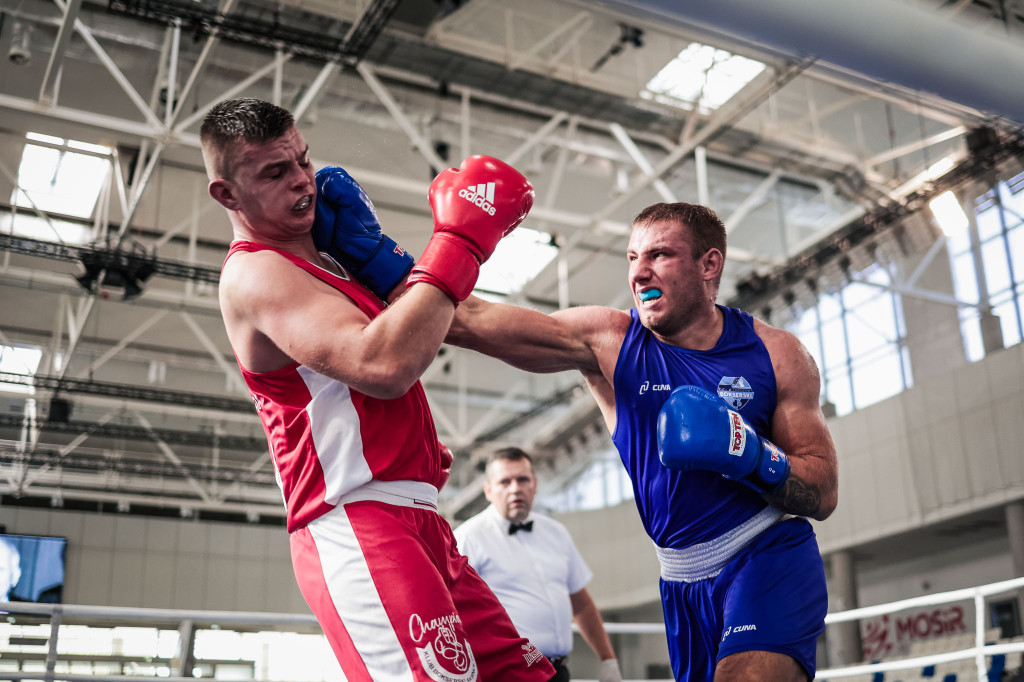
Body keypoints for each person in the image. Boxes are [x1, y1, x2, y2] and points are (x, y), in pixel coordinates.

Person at [315, 194, 839, 682]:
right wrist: (371, 254)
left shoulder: (776, 354)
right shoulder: (609, 340)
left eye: (659, 255)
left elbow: (824, 491)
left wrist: (750, 455)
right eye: (632, 257)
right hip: (681, 579)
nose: (640, 271)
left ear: (709, 265)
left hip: (766, 552)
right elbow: (466, 319)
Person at [204, 97, 555, 682]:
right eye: (274, 172)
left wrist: (378, 257)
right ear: (228, 195)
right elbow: (385, 362)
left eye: (303, 161)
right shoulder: (254, 273)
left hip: (422, 520)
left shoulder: (336, 264)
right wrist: (460, 241)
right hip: (355, 520)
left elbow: (456, 321)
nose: (302, 182)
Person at [454, 448, 622, 682]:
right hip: (504, 674)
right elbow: (453, 611)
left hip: (558, 672)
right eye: (505, 482)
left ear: (534, 484)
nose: (515, 488)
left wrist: (608, 659)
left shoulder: (556, 532)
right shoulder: (466, 538)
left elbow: (580, 603)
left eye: (522, 479)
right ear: (489, 491)